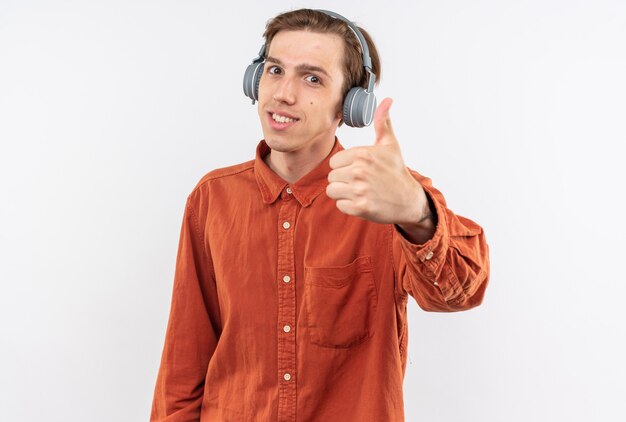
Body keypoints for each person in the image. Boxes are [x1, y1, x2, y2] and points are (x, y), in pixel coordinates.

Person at [150, 8, 489, 422]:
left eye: (312, 78)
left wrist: (417, 214)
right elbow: (184, 362)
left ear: (351, 105)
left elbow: (461, 292)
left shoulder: (391, 197)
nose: (283, 94)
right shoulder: (212, 198)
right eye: (275, 70)